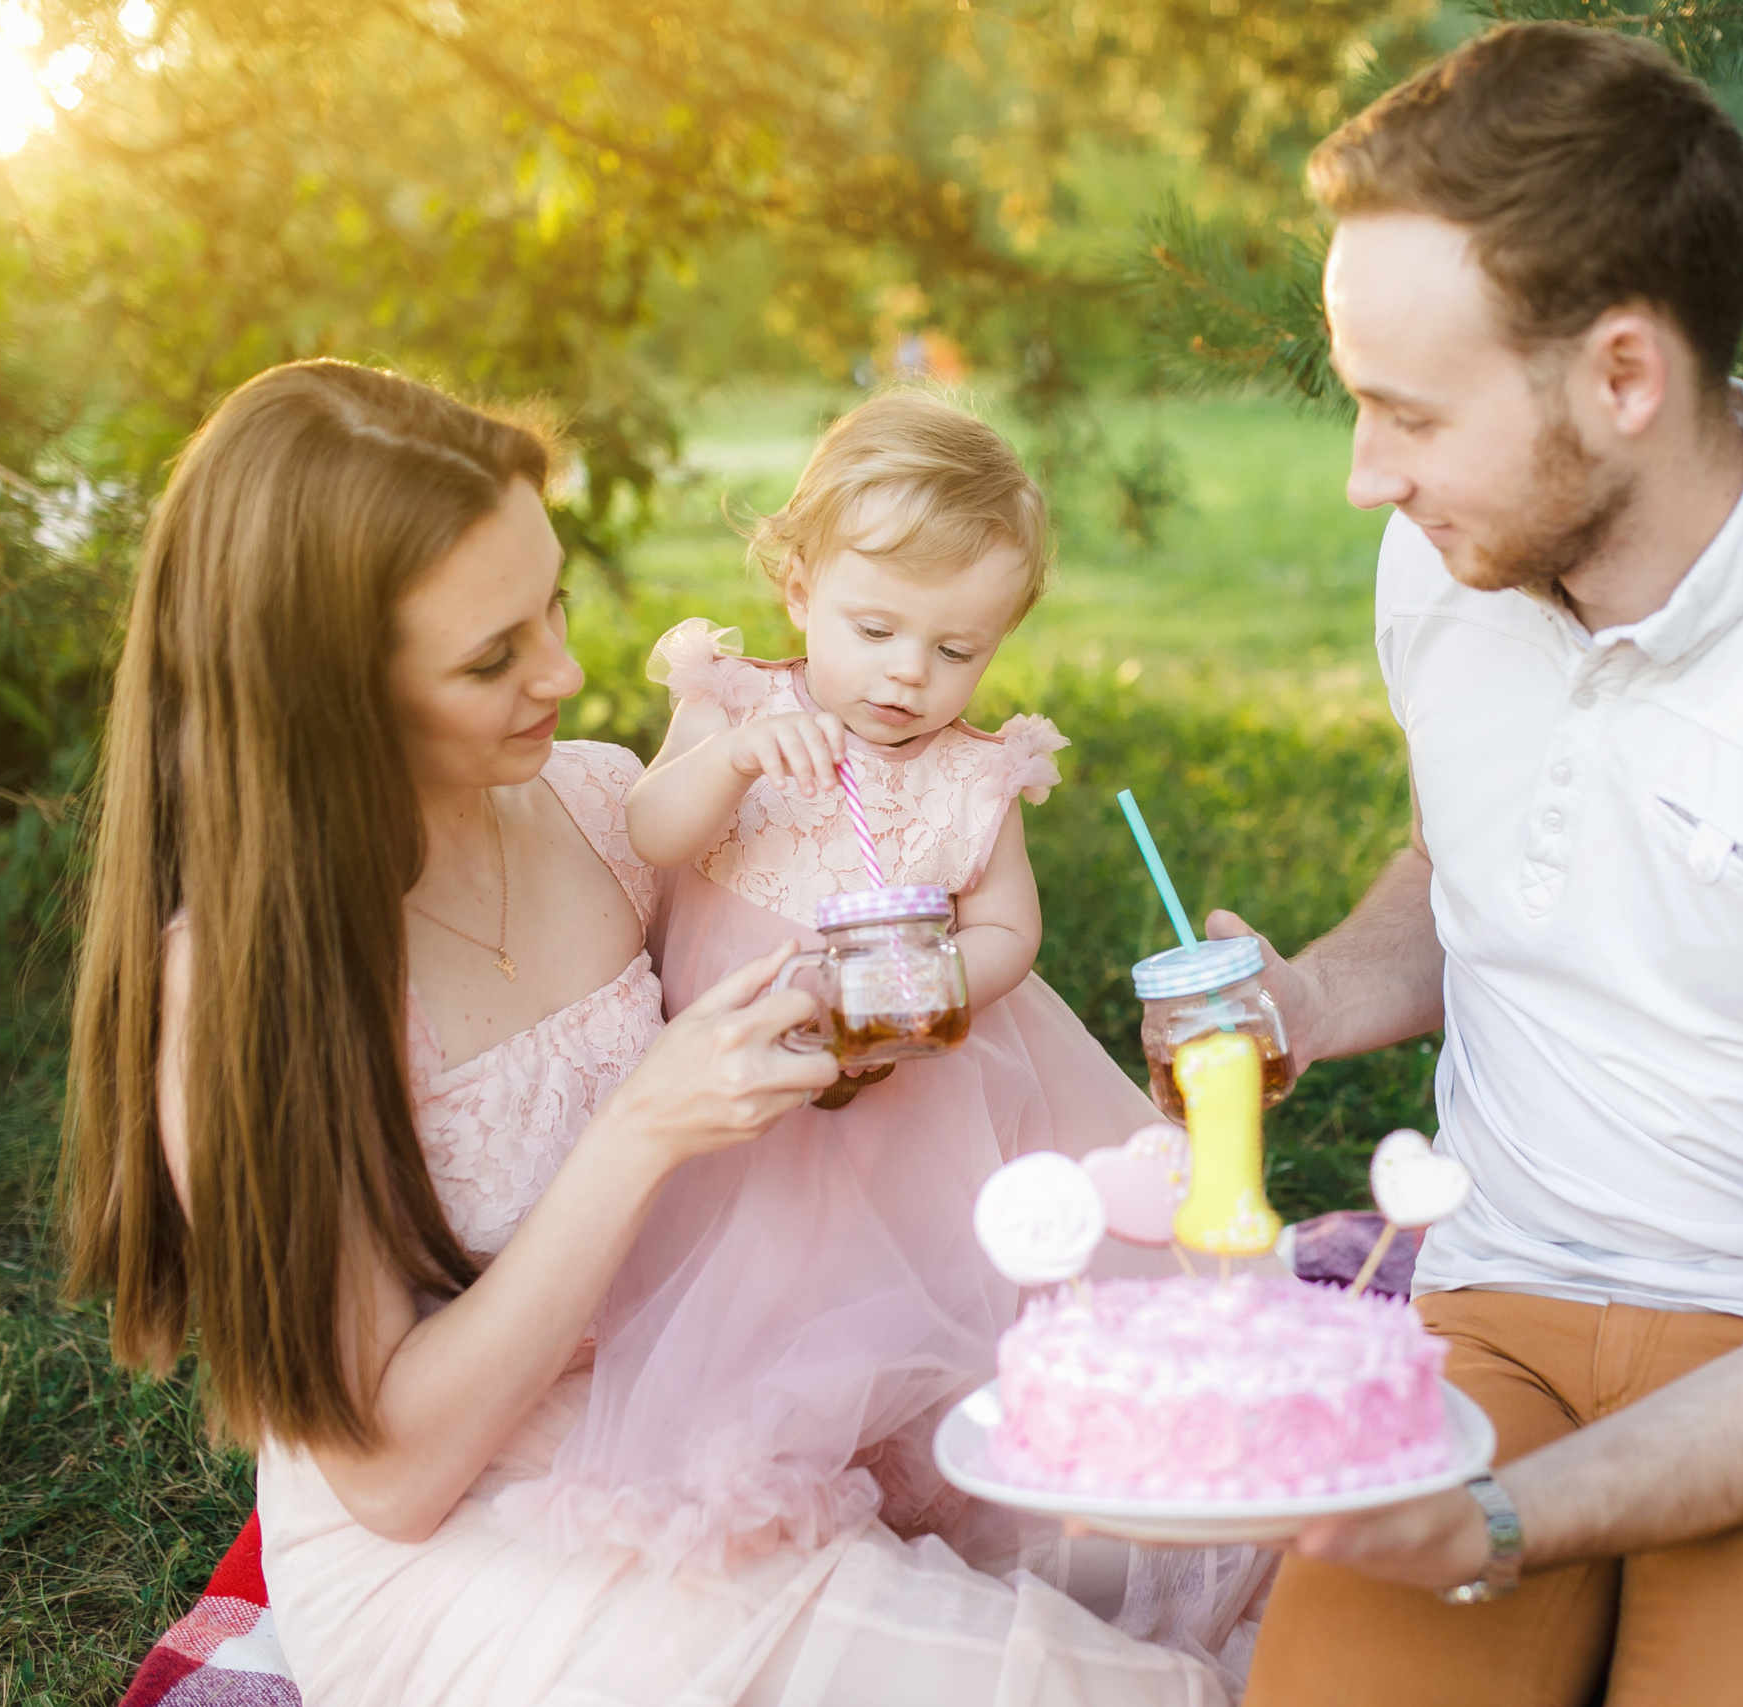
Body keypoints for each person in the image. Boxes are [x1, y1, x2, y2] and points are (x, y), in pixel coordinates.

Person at [60, 361, 1241, 1706]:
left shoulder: (595, 807)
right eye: (493, 655)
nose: (565, 671)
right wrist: (645, 1126)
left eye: (553, 605)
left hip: (698, 1410)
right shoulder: (248, 978)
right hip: (463, 1536)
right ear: (328, 685)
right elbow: (390, 1479)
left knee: (1184, 1515)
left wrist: (847, 1050)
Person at [1218, 25, 1743, 1707]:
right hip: (1494, 1312)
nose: (1364, 478)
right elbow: (1467, 869)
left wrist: (1496, 1523)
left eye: (1409, 412)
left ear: (1623, 377)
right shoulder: (1449, 558)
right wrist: (1309, 996)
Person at [504, 390, 1271, 1689]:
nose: (910, 675)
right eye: (876, 631)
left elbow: (1009, 927)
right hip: (739, 1114)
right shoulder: (736, 702)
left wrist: (936, 989)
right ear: (799, 588)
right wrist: (737, 758)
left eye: (957, 649)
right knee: (755, 1312)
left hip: (914, 1110)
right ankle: (778, 1518)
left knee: (926, 1310)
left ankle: (937, 1527)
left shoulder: (973, 774)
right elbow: (653, 831)